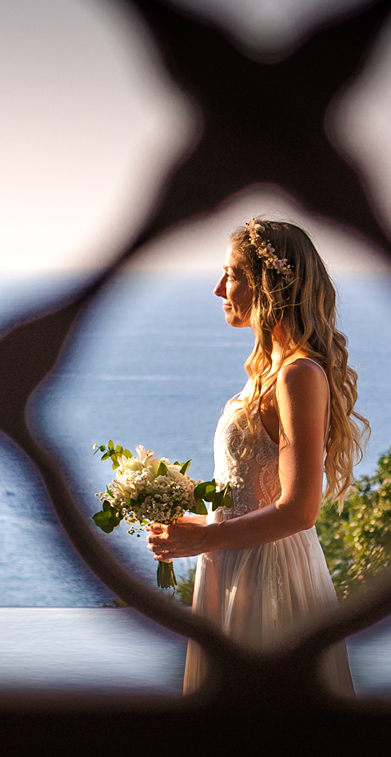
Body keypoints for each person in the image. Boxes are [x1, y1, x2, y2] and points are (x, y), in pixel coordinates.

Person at [148, 218, 367, 693]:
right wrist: (195, 531)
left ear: (266, 284)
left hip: (268, 576)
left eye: (231, 275)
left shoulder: (297, 375)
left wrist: (208, 540)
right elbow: (255, 495)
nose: (217, 288)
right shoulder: (269, 370)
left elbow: (299, 509)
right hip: (234, 564)